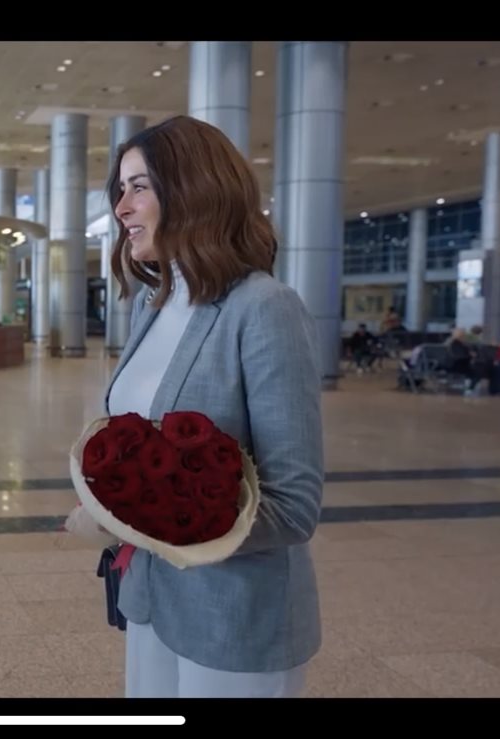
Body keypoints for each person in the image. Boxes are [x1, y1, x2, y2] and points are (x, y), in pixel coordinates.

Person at [97, 115, 323, 698]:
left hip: (235, 617)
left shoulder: (264, 308)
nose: (121, 208)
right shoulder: (151, 305)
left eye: (139, 187)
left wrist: (160, 522)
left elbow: (294, 506)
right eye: (120, 190)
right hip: (150, 600)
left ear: (193, 190)